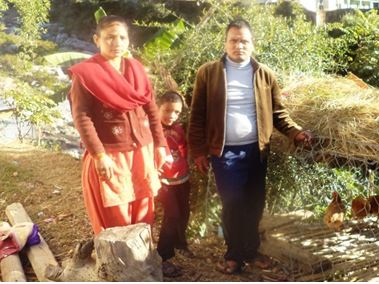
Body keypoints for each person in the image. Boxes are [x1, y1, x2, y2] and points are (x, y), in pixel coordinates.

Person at [187, 19, 313, 274]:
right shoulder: (208, 73)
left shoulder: (264, 74)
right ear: (225, 43)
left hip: (257, 151)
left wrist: (295, 132)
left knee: (254, 203)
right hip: (225, 152)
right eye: (233, 40)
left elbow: (279, 113)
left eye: (244, 41)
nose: (239, 45)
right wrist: (198, 151)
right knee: (233, 202)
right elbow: (197, 115)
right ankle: (234, 254)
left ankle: (251, 250)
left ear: (252, 44)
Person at [68, 15, 167, 236]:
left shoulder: (136, 68)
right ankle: (119, 266)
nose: (117, 43)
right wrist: (99, 155)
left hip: (143, 149)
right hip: (111, 153)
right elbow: (82, 117)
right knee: (116, 210)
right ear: (97, 39)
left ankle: (143, 260)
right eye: (110, 37)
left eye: (122, 37)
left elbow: (151, 108)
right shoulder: (86, 75)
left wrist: (160, 144)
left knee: (144, 207)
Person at [156, 90, 193, 277]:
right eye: (167, 110)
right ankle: (163, 256)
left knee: (184, 212)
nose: (172, 115)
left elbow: (184, 148)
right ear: (157, 108)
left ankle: (180, 243)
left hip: (182, 178)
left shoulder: (179, 127)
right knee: (172, 215)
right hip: (163, 181)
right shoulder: (151, 129)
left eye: (176, 112)